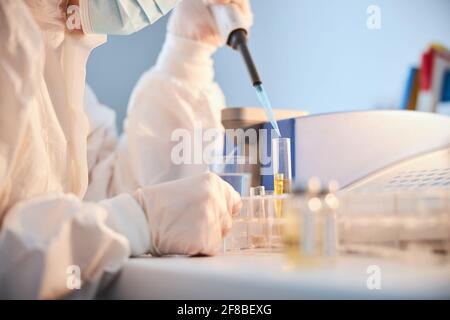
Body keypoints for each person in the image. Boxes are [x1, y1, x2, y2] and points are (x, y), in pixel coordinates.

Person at [0, 0, 252, 299]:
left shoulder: (49, 42)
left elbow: (103, 192)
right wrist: (135, 220)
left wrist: (188, 51)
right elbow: (11, 275)